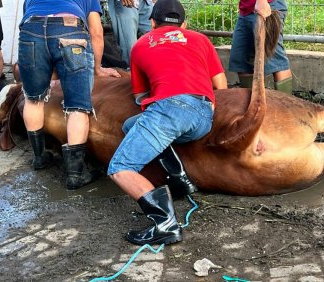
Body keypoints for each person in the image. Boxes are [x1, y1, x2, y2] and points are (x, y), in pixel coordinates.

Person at [107, 0, 227, 245]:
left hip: (170, 110)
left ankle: (165, 224)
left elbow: (141, 97)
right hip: (204, 115)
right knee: (131, 125)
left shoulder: (141, 44)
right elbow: (221, 84)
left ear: (151, 22)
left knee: (119, 167)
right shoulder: (201, 39)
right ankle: (179, 177)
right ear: (184, 24)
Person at [19, 0, 120, 189]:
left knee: (33, 99)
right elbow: (96, 33)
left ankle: (40, 158)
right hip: (70, 29)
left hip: (30, 31)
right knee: (78, 106)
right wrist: (98, 69)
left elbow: (37, 22)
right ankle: (76, 174)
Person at [229, 0, 293, 94]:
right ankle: (254, 104)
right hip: (246, 8)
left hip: (267, 5)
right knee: (242, 60)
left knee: (274, 59)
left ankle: (286, 106)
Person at [107, 0, 153, 68]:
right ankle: (132, 75)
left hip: (146, 2)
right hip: (125, 5)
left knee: (154, 44)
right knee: (129, 53)